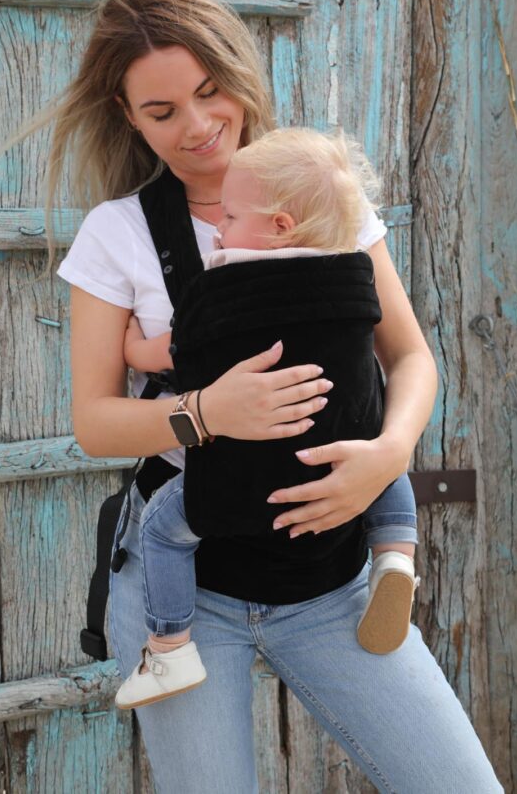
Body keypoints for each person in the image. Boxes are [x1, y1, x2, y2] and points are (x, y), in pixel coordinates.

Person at [46, 0, 501, 791]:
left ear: (237, 72)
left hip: (332, 574)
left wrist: (387, 456)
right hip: (185, 588)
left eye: (210, 92)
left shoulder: (326, 201)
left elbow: (412, 358)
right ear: (128, 116)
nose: (198, 126)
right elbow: (96, 420)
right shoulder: (116, 233)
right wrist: (206, 413)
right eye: (162, 112)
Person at [115, 127, 420, 710]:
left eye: (229, 217)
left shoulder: (226, 283)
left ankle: (171, 646)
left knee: (161, 529)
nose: (220, 231)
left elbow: (181, 353)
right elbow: (399, 355)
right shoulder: (354, 272)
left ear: (280, 226)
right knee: (387, 463)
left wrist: (135, 351)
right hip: (339, 470)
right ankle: (396, 556)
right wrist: (393, 446)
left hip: (240, 478)